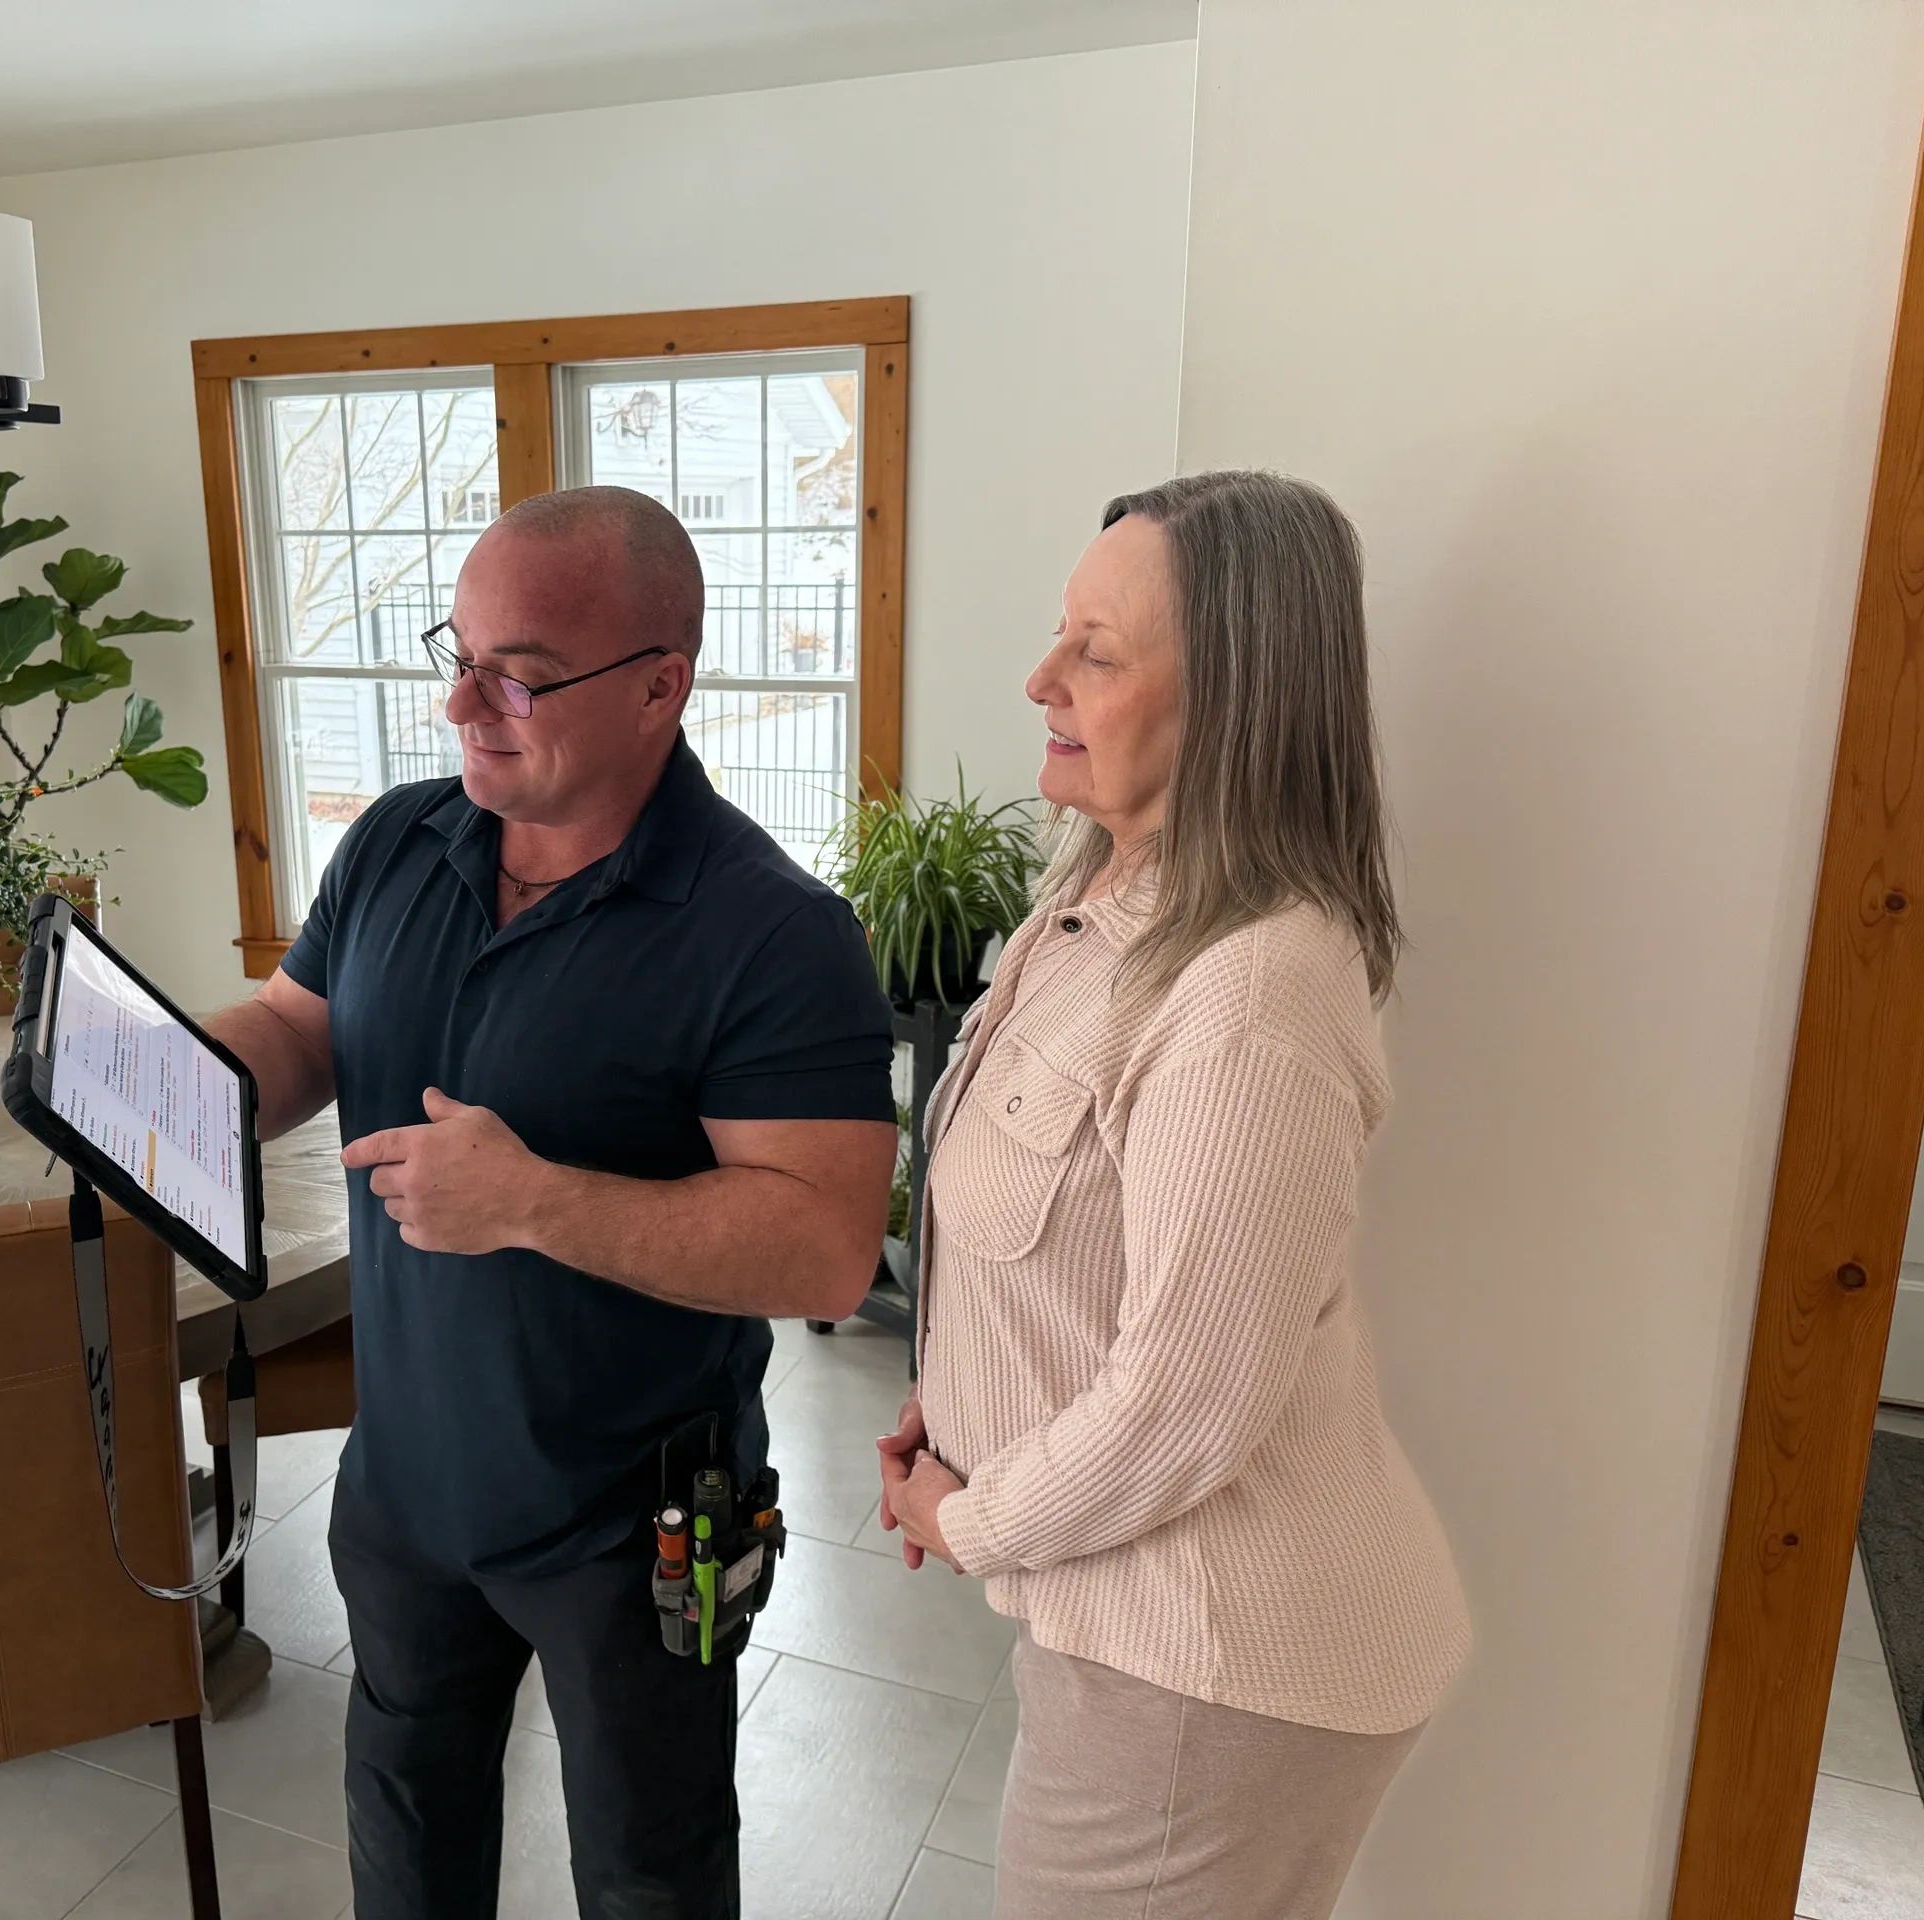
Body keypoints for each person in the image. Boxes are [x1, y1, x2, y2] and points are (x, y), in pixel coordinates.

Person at [204, 484, 898, 1920]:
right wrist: (177, 1075)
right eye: (454, 652)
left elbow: (826, 1248)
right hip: (405, 1488)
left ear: (662, 685)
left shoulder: (774, 932)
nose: (464, 703)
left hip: (629, 1527)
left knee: (650, 1874)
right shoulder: (399, 841)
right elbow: (297, 1031)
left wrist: (532, 1202)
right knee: (405, 1838)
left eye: (517, 672)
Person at [877, 471, 1471, 1920]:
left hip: (1212, 1673)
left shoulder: (1251, 993)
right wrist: (967, 1403)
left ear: (1240, 702)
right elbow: (1064, 1244)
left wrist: (979, 1517)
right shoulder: (1100, 899)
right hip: (1141, 1635)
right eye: (1059, 635)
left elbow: (1185, 1401)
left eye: (1098, 651)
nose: (1042, 680)